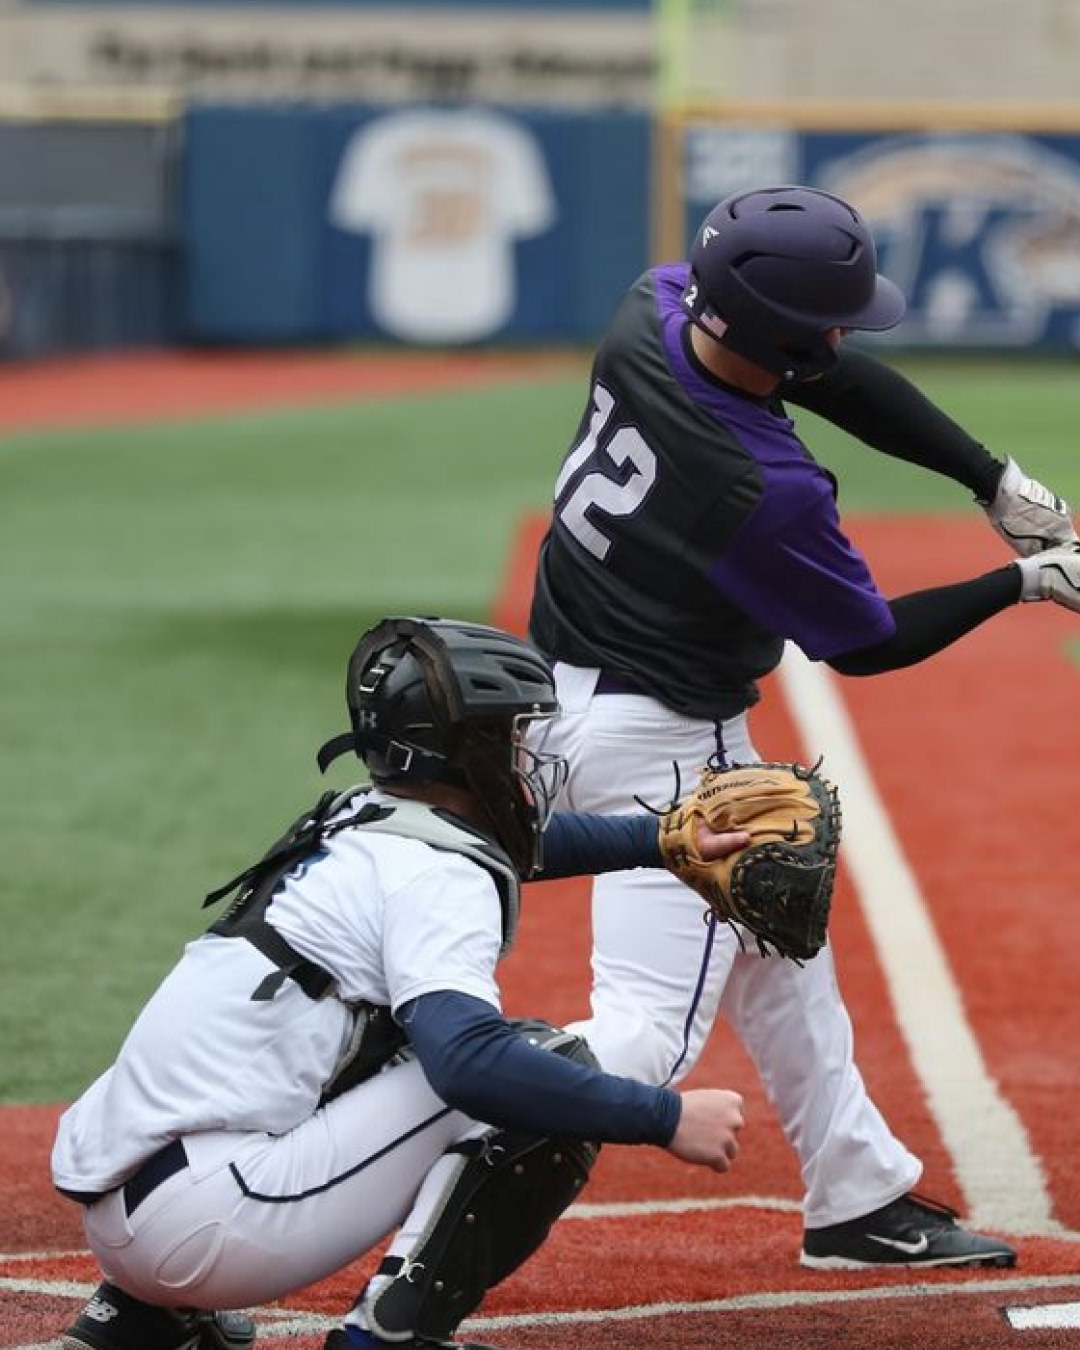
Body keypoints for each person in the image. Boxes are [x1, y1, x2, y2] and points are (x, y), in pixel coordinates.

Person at [527, 184, 1080, 1271]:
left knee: (781, 934)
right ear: (780, 330)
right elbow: (864, 642)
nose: (845, 332)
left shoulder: (659, 303)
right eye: (829, 317)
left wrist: (988, 477)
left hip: (580, 687)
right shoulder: (757, 489)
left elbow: (826, 373)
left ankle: (857, 1192)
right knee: (641, 1038)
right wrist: (1025, 581)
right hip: (659, 743)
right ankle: (415, 1104)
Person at [52, 615, 752, 1350]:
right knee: (530, 1067)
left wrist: (667, 839)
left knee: (372, 1038)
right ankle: (389, 1336)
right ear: (469, 753)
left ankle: (143, 1318)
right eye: (512, 735)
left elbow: (520, 845)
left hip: (133, 1207)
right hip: (211, 1227)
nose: (526, 753)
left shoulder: (364, 815)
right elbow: (470, 1065)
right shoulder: (437, 878)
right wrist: (665, 1119)